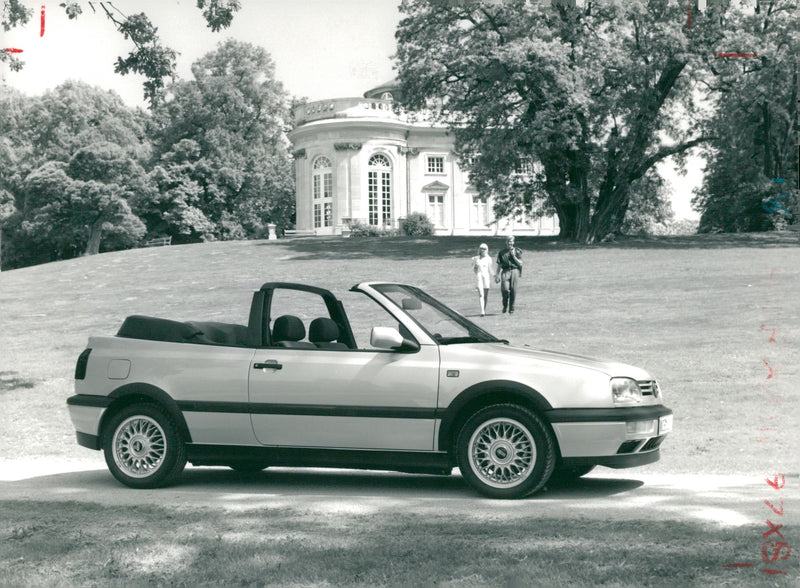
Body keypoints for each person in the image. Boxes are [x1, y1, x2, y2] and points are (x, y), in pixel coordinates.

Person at [495, 235, 522, 314]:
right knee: (505, 290)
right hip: (505, 271)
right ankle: (505, 305)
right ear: (506, 242)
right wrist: (497, 275)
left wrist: (514, 256)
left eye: (512, 241)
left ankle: (511, 308)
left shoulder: (517, 251)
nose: (510, 243)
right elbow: (499, 265)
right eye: (509, 241)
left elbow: (520, 263)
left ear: (513, 242)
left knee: (513, 290)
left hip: (514, 271)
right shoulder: (501, 252)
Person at [471, 243, 495, 316]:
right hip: (479, 276)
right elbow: (474, 269)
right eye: (482, 248)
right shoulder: (476, 258)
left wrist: (495, 276)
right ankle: (482, 311)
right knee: (481, 294)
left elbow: (490, 269)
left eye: (484, 248)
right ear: (479, 249)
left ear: (487, 250)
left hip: (486, 277)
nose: (483, 250)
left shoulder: (489, 259)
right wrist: (475, 267)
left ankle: (483, 309)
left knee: (485, 294)